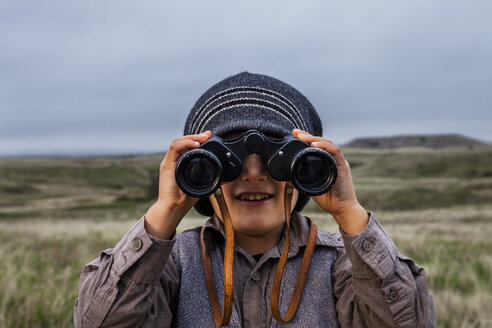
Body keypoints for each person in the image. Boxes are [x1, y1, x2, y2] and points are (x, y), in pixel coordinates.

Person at [74, 72, 436, 327]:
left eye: (275, 160)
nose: (253, 173)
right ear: (200, 173)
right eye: (229, 162)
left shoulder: (342, 266)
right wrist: (164, 212)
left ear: (302, 172)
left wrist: (349, 213)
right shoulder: (173, 264)